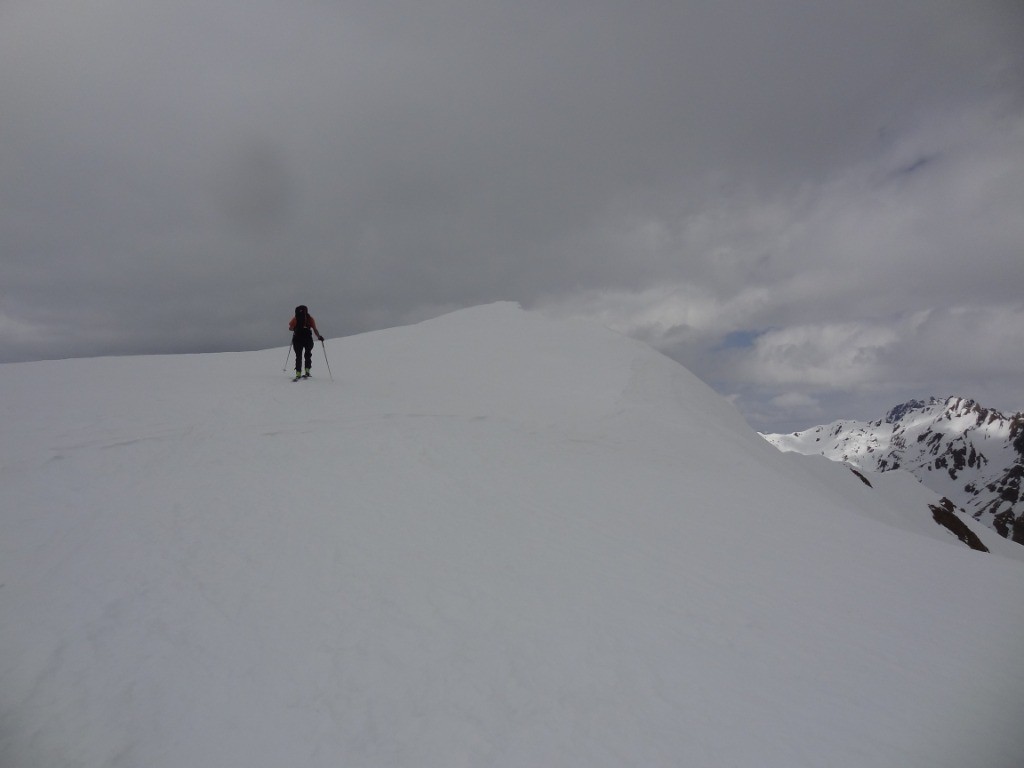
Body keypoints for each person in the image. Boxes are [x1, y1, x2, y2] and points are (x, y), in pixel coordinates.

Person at [289, 304, 324, 379]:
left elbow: (290, 328)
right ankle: (307, 371)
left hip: (297, 338)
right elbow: (314, 329)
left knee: (298, 356)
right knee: (308, 354)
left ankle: (298, 373)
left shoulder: (295, 318)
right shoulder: (310, 318)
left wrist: (295, 329)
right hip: (307, 338)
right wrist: (319, 337)